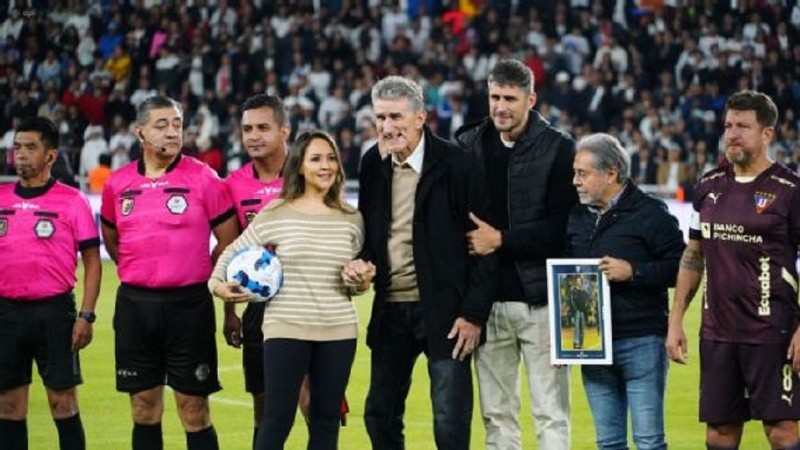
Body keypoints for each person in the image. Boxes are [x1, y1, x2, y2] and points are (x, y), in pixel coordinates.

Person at [210, 130, 371, 450]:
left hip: (338, 330)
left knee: (326, 421)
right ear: (298, 166)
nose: (325, 166)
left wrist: (361, 281)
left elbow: (356, 281)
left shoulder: (352, 219)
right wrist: (216, 285)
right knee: (277, 419)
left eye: (331, 159)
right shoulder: (277, 212)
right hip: (286, 328)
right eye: (316, 159)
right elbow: (230, 251)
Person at [359, 75, 496, 450]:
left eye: (396, 117)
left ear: (421, 118)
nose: (387, 127)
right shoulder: (373, 163)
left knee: (449, 421)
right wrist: (363, 263)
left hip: (447, 313)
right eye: (381, 117)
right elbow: (370, 235)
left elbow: (486, 248)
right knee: (379, 413)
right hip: (390, 309)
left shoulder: (458, 165)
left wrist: (473, 314)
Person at [100, 95, 239, 450]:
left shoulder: (204, 178)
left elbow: (229, 241)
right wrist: (145, 268)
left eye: (177, 124)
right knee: (143, 408)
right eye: (161, 125)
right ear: (139, 132)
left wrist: (199, 269)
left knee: (193, 409)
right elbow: (113, 241)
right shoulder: (118, 183)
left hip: (189, 306)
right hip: (135, 306)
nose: (172, 132)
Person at [666, 90, 800, 450]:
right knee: (720, 433)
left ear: (767, 134)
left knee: (784, 431)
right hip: (718, 333)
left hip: (772, 332)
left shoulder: (790, 191)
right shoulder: (709, 187)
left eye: (743, 126)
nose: (732, 134)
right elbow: (693, 255)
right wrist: (676, 319)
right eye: (728, 126)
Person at [454, 58, 576, 450]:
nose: (500, 106)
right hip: (486, 307)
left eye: (509, 97)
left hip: (541, 304)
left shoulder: (559, 149)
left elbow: (562, 230)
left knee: (550, 414)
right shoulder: (467, 144)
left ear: (531, 99)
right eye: (494, 97)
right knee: (497, 417)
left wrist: (501, 240)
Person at [567, 132, 685, 450]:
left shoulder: (651, 213)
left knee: (648, 442)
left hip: (641, 339)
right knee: (608, 443)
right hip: (592, 344)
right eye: (575, 173)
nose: (575, 181)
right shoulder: (576, 218)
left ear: (611, 174)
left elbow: (682, 268)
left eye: (583, 173)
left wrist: (634, 272)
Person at [0, 116, 101, 450]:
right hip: (6, 313)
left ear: (51, 156)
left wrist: (85, 315)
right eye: (17, 147)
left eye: (31, 147)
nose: (21, 155)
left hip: (55, 313)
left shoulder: (73, 201)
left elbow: (91, 261)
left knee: (63, 403)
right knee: (9, 406)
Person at [222, 93, 310, 446]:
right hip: (260, 307)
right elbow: (229, 250)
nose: (253, 136)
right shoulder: (233, 183)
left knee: (312, 400)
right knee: (263, 402)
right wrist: (231, 312)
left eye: (262, 127)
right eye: (247, 129)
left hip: (307, 300)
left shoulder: (309, 173)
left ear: (285, 131)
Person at [567, 275, 590, 350]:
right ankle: (576, 344)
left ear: (581, 282)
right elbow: (571, 301)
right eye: (577, 281)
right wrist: (575, 310)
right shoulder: (573, 290)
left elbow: (587, 300)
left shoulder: (584, 291)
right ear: (576, 282)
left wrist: (586, 308)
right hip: (577, 311)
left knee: (582, 329)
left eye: (580, 281)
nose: (579, 282)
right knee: (577, 328)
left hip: (583, 312)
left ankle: (581, 343)